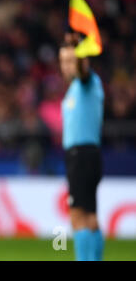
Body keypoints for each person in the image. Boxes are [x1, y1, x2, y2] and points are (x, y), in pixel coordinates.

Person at [59, 32, 104, 261]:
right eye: (62, 61)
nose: (64, 67)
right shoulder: (76, 89)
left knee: (77, 216)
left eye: (68, 61)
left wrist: (78, 50)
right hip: (85, 155)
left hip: (81, 155)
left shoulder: (87, 83)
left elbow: (83, 71)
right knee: (90, 216)